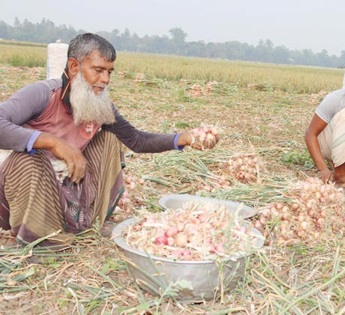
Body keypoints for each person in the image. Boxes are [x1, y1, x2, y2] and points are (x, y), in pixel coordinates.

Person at [0, 33, 218, 248]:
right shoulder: (43, 94)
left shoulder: (98, 107)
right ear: (74, 66)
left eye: (109, 72)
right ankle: (38, 239)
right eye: (98, 70)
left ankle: (87, 223)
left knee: (109, 139)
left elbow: (137, 140)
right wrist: (53, 142)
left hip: (64, 191)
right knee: (28, 158)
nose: (105, 80)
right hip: (22, 197)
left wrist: (183, 139)